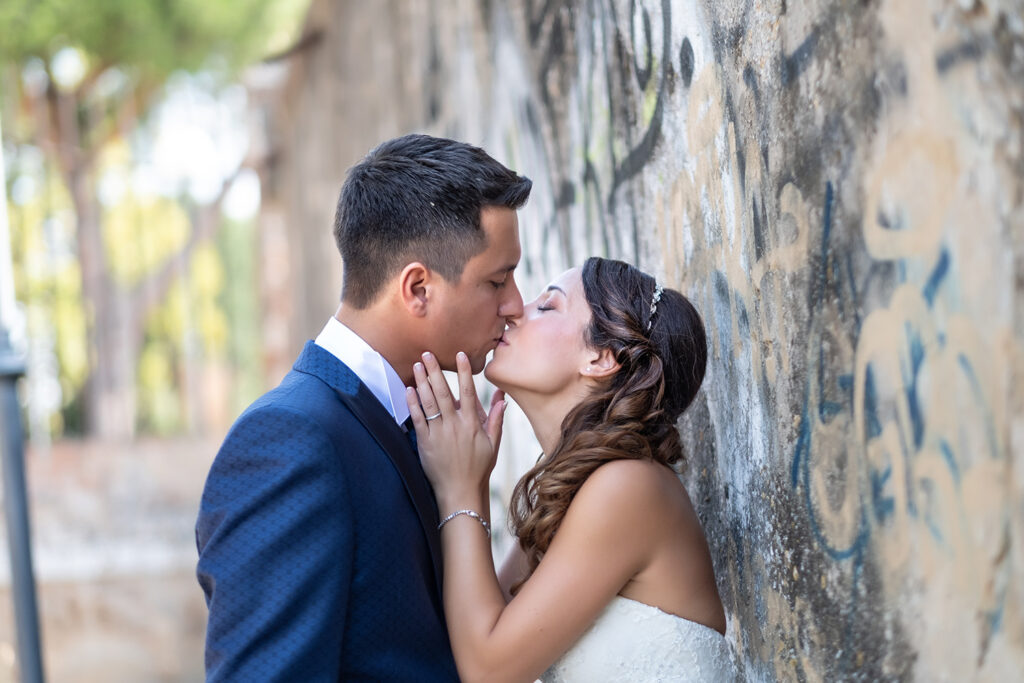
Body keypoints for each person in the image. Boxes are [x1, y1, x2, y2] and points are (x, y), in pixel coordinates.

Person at [195, 133, 532, 681]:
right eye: (497, 281)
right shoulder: (287, 441)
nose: (515, 306)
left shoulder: (429, 428)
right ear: (418, 288)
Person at [407, 256, 733, 682]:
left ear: (600, 358)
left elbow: (487, 671)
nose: (514, 312)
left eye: (547, 306)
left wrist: (462, 490)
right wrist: (473, 476)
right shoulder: (569, 497)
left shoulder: (628, 487)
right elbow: (471, 637)